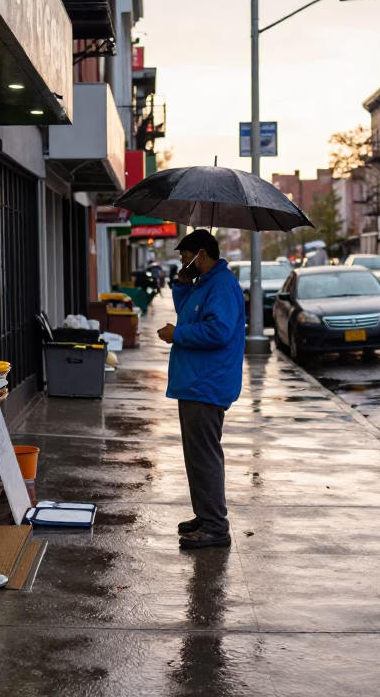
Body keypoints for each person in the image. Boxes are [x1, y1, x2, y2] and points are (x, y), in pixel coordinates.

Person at [157, 229, 244, 549]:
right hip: (196, 381)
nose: (182, 262)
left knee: (204, 457)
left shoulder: (221, 285)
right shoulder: (205, 283)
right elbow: (191, 313)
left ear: (202, 255)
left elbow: (217, 331)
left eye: (185, 257)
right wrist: (181, 284)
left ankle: (215, 527)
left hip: (206, 383)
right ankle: (206, 515)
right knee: (196, 457)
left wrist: (177, 334)